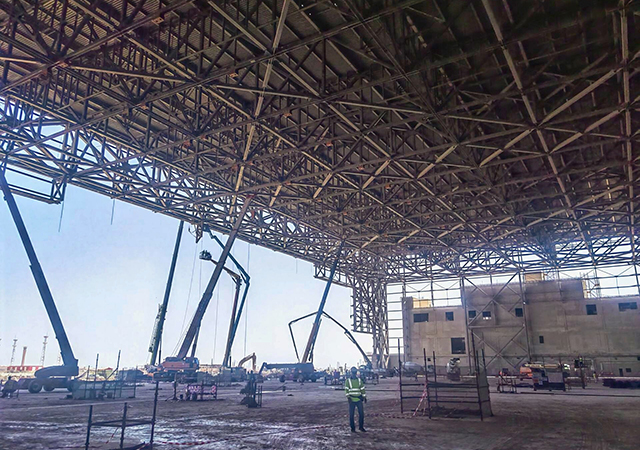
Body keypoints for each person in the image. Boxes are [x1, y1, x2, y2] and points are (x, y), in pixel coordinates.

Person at [345, 367, 366, 432]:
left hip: (358, 399)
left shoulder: (359, 381)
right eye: (353, 373)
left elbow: (362, 389)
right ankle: (352, 428)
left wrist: (364, 397)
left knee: (361, 414)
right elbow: (346, 390)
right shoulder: (348, 381)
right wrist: (348, 397)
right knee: (351, 415)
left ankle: (361, 427)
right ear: (351, 373)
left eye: (354, 373)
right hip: (351, 399)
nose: (354, 374)